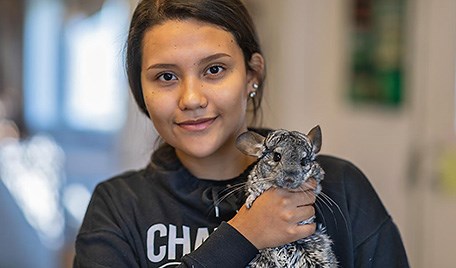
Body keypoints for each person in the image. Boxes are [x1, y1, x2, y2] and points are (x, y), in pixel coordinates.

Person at [73, 0, 409, 267]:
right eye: (165, 77)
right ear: (140, 90)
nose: (191, 99)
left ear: (252, 75)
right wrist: (243, 236)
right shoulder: (117, 207)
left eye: (214, 69)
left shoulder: (340, 187)